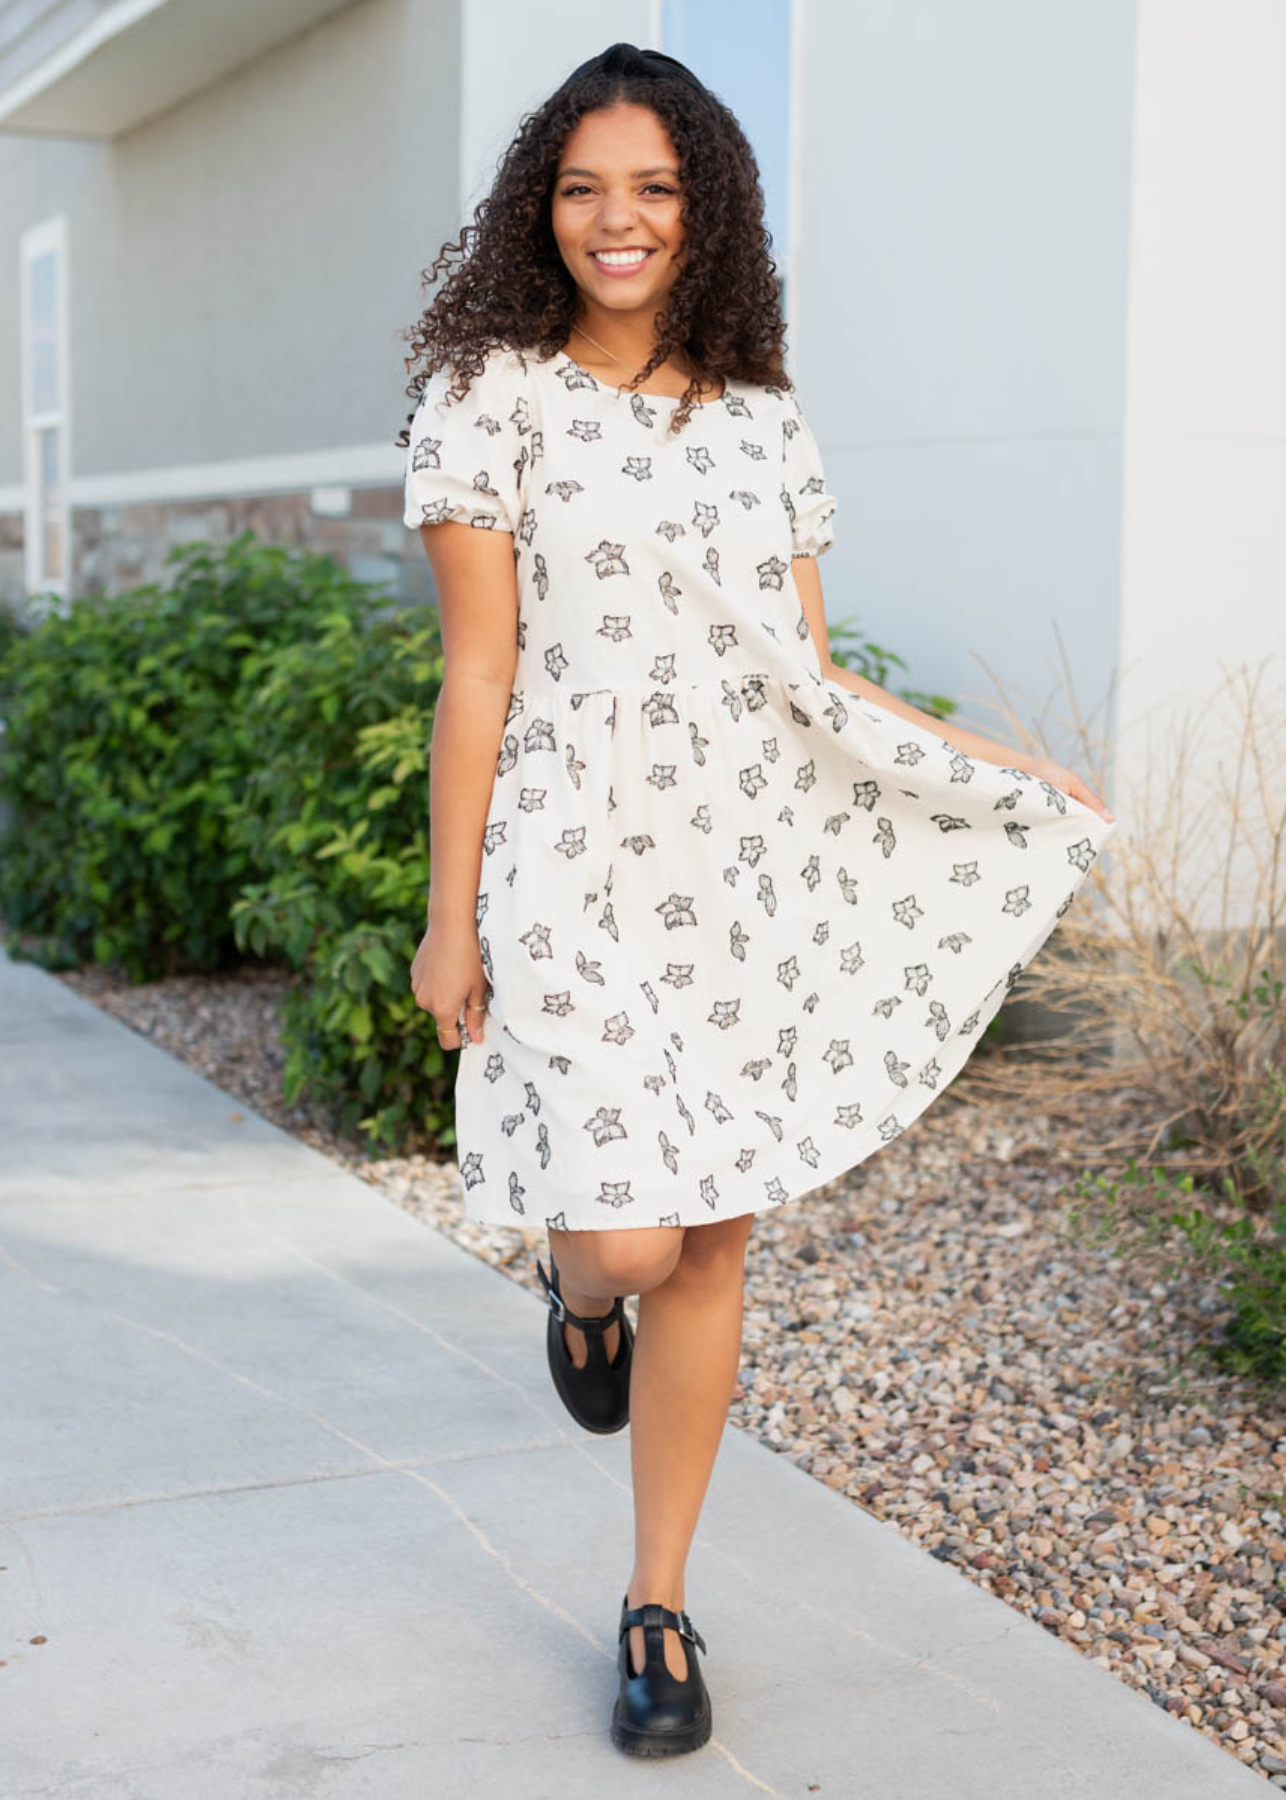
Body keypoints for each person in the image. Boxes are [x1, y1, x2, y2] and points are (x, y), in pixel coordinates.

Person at [400, 41, 1116, 1759]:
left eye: (652, 187)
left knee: (711, 1234)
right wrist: (450, 916)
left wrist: (1005, 768)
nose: (616, 219)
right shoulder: (486, 395)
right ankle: (578, 1303)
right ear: (538, 208)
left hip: (739, 865)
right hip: (567, 861)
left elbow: (802, 675)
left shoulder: (762, 421)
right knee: (626, 1237)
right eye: (582, 187)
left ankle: (655, 1605)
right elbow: (480, 674)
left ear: (704, 206)